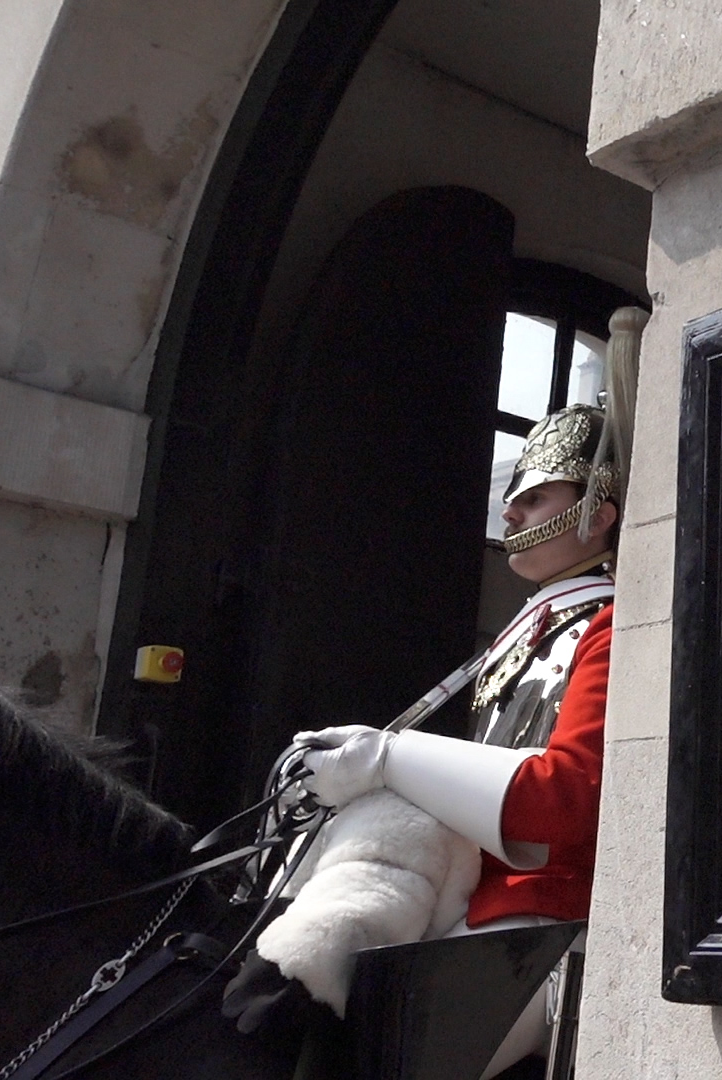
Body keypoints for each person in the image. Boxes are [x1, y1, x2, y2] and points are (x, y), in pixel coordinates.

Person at [224, 309, 646, 1077]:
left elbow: (562, 801)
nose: (511, 511)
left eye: (538, 497)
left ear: (599, 513)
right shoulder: (529, 628)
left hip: (544, 922)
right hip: (471, 903)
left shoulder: (616, 626)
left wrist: (388, 760)